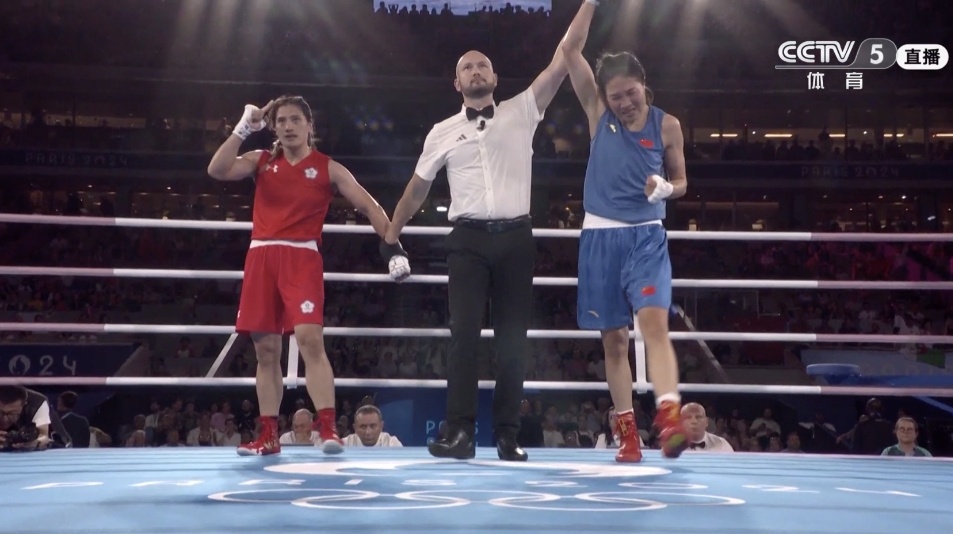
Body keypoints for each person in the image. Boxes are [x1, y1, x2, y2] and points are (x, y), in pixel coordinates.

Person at [382, 23, 572, 462]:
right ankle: (460, 433)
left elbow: (562, 61)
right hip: (467, 240)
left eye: (482, 65)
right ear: (457, 83)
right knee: (463, 337)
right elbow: (417, 189)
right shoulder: (441, 131)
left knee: (512, 340)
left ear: (495, 77)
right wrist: (391, 236)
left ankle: (508, 434)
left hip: (516, 238)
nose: (475, 70)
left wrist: (590, 6)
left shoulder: (522, 110)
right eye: (466, 67)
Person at [207, 95, 406, 456]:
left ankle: (328, 429)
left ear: (309, 125)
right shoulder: (261, 161)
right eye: (281, 120)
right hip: (261, 256)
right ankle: (269, 436)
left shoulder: (328, 168)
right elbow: (217, 169)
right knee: (266, 350)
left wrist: (393, 248)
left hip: (301, 258)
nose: (288, 126)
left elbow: (369, 205)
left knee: (311, 341)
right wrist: (244, 127)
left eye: (295, 119)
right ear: (273, 127)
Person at [561, 0, 689, 462]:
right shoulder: (599, 114)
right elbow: (570, 49)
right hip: (600, 239)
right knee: (614, 341)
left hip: (646, 237)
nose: (625, 102)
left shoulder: (667, 125)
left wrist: (666, 189)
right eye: (616, 96)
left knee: (654, 324)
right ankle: (628, 435)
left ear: (643, 84)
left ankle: (669, 417)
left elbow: (682, 181)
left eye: (630, 92)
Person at [0, 385, 51, 452]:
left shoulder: (36, 403)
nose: (5, 419)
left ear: (24, 404)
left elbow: (43, 435)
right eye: (0, 412)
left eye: (12, 413)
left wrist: (35, 442)